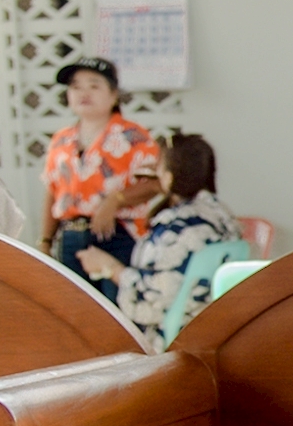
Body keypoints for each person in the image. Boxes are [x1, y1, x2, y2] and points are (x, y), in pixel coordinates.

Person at [75, 131, 242, 350]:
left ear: (169, 177)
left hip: (175, 338)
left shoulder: (178, 229)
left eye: (159, 166)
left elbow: (157, 298)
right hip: (214, 328)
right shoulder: (221, 215)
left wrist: (110, 268)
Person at [42, 56, 160, 299]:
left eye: (94, 86)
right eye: (76, 86)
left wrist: (115, 200)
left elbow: (156, 183)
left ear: (114, 94)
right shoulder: (61, 140)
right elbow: (53, 192)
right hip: (70, 235)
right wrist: (44, 240)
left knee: (117, 306)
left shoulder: (133, 136)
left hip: (116, 233)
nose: (84, 93)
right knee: (75, 307)